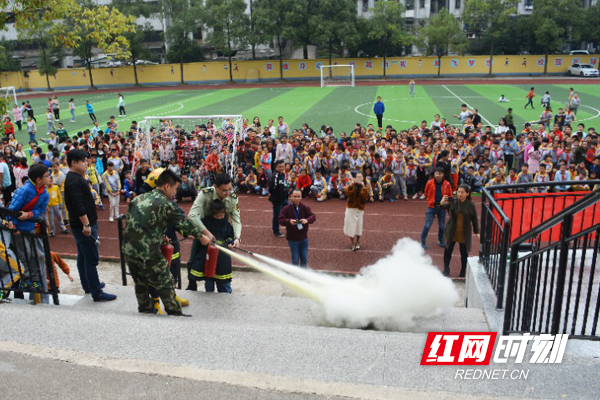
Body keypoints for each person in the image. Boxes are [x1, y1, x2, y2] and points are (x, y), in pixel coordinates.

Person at [123, 170, 203, 315]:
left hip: (128, 249)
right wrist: (202, 237)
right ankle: (174, 313)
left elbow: (136, 225)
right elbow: (185, 225)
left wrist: (159, 237)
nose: (175, 192)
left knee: (140, 283)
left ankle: (145, 311)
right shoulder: (167, 204)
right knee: (166, 280)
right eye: (175, 188)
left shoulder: (138, 199)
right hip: (147, 251)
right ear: (167, 186)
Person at [64, 149, 116, 302]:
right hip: (84, 226)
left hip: (80, 225)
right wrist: (86, 224)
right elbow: (78, 204)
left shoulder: (75, 178)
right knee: (91, 259)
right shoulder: (75, 180)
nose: (87, 163)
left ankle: (89, 285)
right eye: (84, 160)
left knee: (83, 256)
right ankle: (96, 292)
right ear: (74, 163)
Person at [187, 172, 242, 290]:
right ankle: (192, 286)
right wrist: (206, 233)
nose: (227, 193)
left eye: (229, 189)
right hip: (203, 233)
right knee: (192, 262)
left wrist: (236, 238)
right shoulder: (205, 194)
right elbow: (192, 216)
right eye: (224, 190)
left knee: (222, 265)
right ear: (215, 187)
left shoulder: (233, 198)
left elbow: (236, 218)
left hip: (222, 233)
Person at [6, 164, 50, 300]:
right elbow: (11, 210)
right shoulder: (23, 191)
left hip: (30, 228)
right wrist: (14, 226)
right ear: (38, 179)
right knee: (24, 255)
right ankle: (26, 281)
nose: (49, 178)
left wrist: (29, 215)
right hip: (19, 230)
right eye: (46, 176)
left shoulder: (44, 194)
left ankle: (34, 282)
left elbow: (40, 210)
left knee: (33, 256)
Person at [188, 201, 235, 293]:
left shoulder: (226, 225)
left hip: (222, 257)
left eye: (221, 216)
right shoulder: (205, 222)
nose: (219, 218)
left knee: (224, 282)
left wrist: (230, 242)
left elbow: (230, 235)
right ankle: (209, 298)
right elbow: (198, 232)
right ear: (211, 214)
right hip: (207, 255)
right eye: (217, 216)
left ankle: (226, 296)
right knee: (209, 278)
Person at [440, 184, 480, 277]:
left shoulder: (471, 205)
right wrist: (441, 203)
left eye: (462, 192)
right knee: (447, 252)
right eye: (458, 192)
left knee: (464, 254)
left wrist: (477, 232)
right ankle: (446, 269)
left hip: (464, 233)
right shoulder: (453, 201)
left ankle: (463, 271)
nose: (459, 194)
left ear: (467, 193)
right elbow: (443, 207)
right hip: (451, 231)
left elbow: (474, 219)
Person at [279, 189, 316, 268]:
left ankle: (303, 276)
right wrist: (289, 221)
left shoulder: (305, 207)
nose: (297, 198)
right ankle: (294, 276)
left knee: (304, 259)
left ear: (301, 197)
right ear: (291, 197)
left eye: (299, 196)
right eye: (295, 196)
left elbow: (313, 216)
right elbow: (280, 220)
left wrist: (307, 220)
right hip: (292, 239)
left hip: (304, 238)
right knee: (295, 260)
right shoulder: (286, 209)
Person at [420, 168, 452, 250]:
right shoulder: (429, 182)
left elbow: (450, 195)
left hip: (442, 207)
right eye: (436, 173)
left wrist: (446, 204)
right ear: (434, 174)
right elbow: (426, 192)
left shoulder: (447, 184)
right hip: (431, 206)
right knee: (427, 225)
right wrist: (430, 201)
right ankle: (422, 241)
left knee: (442, 226)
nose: (437, 175)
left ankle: (440, 240)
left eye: (440, 173)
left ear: (443, 175)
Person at [343, 173, 370, 251]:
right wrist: (351, 185)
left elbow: (365, 196)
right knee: (350, 226)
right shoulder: (351, 185)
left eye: (360, 177)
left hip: (359, 208)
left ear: (363, 178)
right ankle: (352, 242)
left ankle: (358, 242)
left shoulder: (365, 185)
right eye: (357, 177)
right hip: (351, 208)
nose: (359, 178)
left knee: (358, 226)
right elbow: (347, 193)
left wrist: (363, 187)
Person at [268, 160, 288, 238]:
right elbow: (272, 188)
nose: (282, 168)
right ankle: (276, 231)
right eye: (280, 167)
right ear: (276, 167)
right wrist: (276, 196)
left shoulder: (283, 174)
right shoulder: (275, 176)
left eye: (283, 166)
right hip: (277, 200)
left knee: (290, 211)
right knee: (277, 215)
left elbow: (284, 185)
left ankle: (291, 227)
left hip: (284, 198)